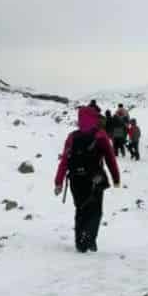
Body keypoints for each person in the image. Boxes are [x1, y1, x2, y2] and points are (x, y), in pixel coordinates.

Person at [55, 105, 121, 253]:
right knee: (95, 210)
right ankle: (90, 237)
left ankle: (80, 242)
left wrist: (58, 181)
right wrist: (116, 177)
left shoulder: (72, 137)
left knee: (80, 209)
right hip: (95, 179)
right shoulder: (100, 135)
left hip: (75, 179)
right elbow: (110, 158)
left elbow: (64, 160)